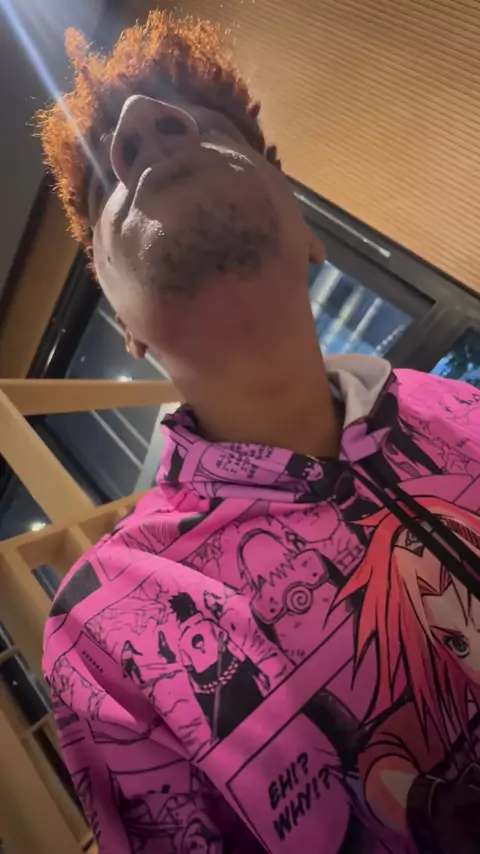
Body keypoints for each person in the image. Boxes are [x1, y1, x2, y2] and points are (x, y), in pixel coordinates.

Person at [39, 11, 480, 854]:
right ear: (122, 320)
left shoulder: (465, 410)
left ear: (309, 231)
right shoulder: (103, 631)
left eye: (205, 126)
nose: (145, 127)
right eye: (106, 185)